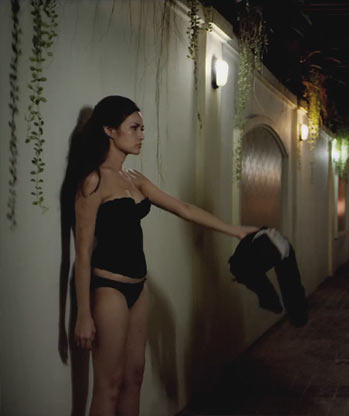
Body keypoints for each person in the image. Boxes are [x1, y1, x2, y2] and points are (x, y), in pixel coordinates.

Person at [61, 95, 258, 416]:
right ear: (110, 130)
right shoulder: (93, 181)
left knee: (134, 377)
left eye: (142, 128)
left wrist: (234, 231)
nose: (141, 135)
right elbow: (81, 253)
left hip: (139, 288)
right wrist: (83, 313)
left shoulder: (134, 179)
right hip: (109, 288)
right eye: (134, 128)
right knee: (108, 385)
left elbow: (184, 208)